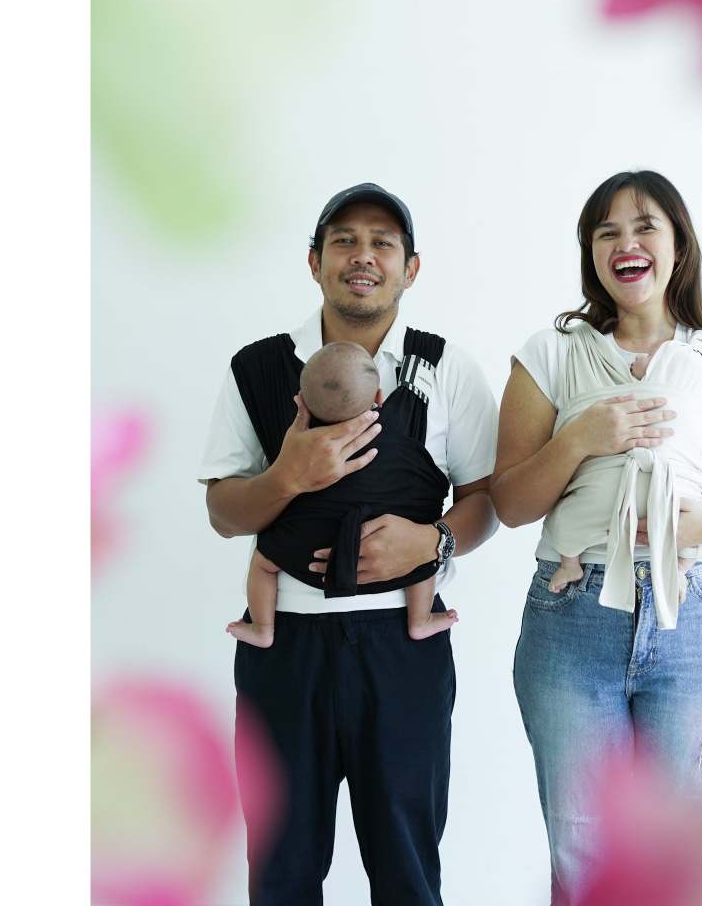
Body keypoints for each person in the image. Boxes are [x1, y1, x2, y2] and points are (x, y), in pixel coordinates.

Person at [491, 170, 702, 902]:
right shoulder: (551, 354)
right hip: (571, 620)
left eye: (644, 227)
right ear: (591, 254)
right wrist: (581, 439)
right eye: (607, 232)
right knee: (583, 855)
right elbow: (508, 503)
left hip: (693, 619)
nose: (625, 243)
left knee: (684, 858)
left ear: (678, 245)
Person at [199, 182, 498, 906]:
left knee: (407, 872)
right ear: (315, 261)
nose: (363, 256)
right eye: (344, 241)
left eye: (382, 243)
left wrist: (431, 544)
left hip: (403, 649)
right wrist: (288, 476)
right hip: (284, 650)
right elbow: (223, 512)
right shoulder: (257, 369)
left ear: (410, 268)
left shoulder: (448, 369)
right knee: (281, 873)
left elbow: (487, 502)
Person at [225, 340, 459, 649]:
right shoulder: (400, 437)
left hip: (307, 552)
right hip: (393, 554)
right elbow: (427, 489)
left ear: (301, 403)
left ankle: (262, 628)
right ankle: (421, 620)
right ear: (379, 398)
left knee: (263, 561)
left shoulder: (296, 443)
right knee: (422, 560)